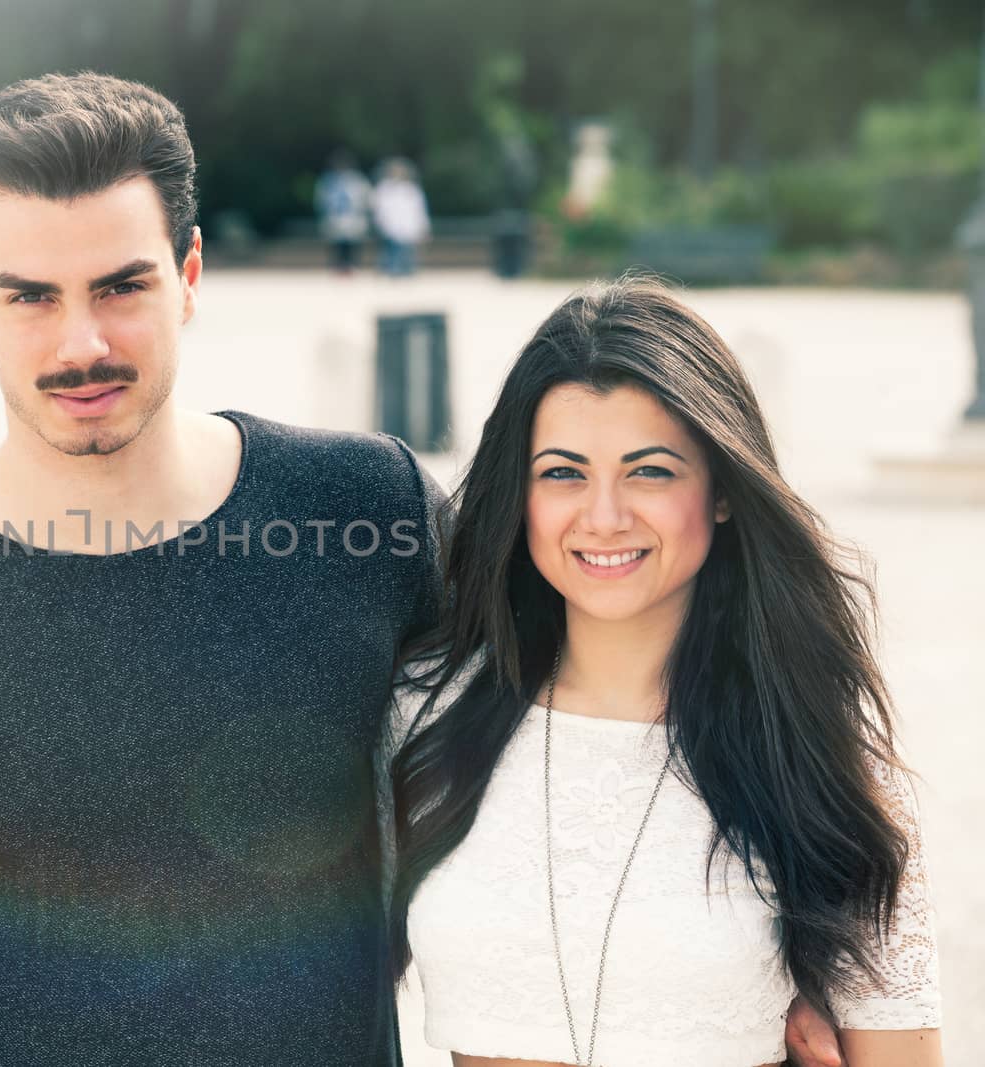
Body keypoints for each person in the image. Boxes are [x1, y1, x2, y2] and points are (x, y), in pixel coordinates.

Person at [0, 72, 443, 1067]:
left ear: (190, 272)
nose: (81, 342)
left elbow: (583, 718)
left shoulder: (364, 511)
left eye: (122, 285)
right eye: (30, 296)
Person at [385, 277, 943, 1066]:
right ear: (521, 496)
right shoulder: (425, 715)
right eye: (563, 473)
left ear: (721, 491)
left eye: (650, 471)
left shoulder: (820, 761)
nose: (605, 515)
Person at [315, 150, 372, 274]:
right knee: (336, 245)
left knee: (352, 244)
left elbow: (365, 198)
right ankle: (338, 267)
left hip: (353, 217)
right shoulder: (329, 180)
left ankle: (351, 266)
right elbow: (322, 199)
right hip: (335, 217)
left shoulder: (357, 180)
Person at [371, 158, 430, 278]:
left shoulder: (411, 190)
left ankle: (404, 274)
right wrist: (381, 223)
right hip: (389, 228)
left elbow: (418, 211)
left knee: (407, 256)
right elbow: (377, 208)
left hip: (408, 229)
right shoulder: (383, 189)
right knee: (390, 256)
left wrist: (422, 228)